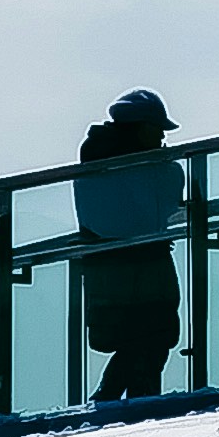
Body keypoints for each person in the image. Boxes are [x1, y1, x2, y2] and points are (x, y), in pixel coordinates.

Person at [75, 89, 186, 398]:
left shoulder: (95, 159)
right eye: (157, 128)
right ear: (140, 127)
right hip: (146, 260)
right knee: (155, 333)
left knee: (131, 338)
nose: (162, 137)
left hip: (104, 262)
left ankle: (113, 396)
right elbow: (164, 207)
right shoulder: (149, 168)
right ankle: (135, 399)